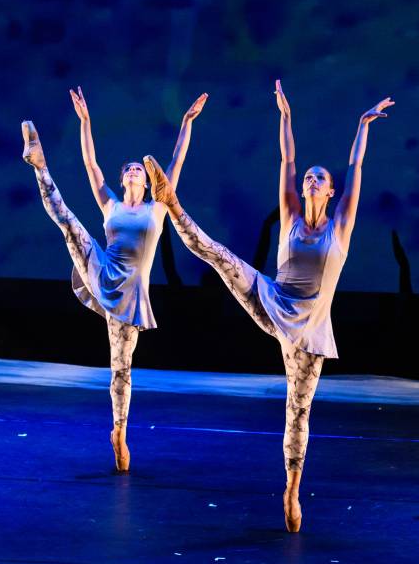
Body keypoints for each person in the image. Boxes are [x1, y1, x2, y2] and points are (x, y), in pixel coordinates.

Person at [146, 80, 392, 531]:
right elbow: (287, 161)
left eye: (319, 178)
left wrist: (362, 126)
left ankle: (292, 490)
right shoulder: (291, 217)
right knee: (220, 256)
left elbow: (356, 165)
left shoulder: (340, 227)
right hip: (272, 301)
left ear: (331, 192)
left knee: (298, 411)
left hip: (310, 330)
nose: (310, 180)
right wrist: (285, 116)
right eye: (308, 178)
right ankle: (172, 204)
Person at [20, 87, 207, 473]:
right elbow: (91, 165)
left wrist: (187, 122)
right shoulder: (111, 204)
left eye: (139, 169)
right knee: (68, 223)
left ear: (147, 180)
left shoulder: (158, 208)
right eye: (130, 169)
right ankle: (39, 165)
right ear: (123, 179)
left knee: (120, 367)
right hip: (102, 271)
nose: (135, 170)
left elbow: (176, 161)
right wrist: (85, 122)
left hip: (129, 297)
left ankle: (119, 433)